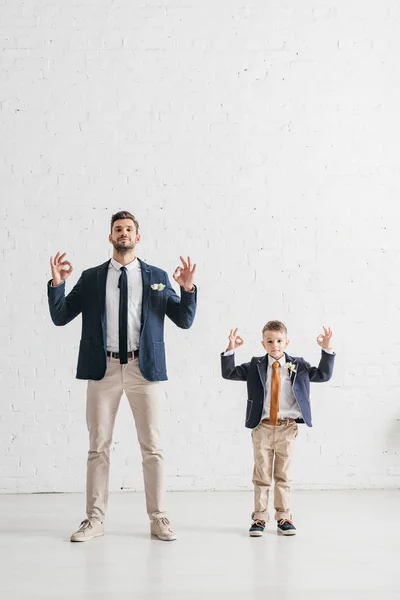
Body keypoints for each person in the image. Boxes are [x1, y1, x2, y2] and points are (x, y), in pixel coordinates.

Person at [48, 210, 197, 542]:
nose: (124, 234)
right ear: (110, 237)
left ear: (138, 237)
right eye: (118, 229)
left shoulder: (157, 276)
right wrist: (58, 284)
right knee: (98, 446)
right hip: (103, 370)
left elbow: (183, 321)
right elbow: (61, 317)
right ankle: (94, 520)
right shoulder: (90, 278)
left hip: (143, 370)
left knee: (153, 447)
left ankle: (159, 518)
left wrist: (187, 290)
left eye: (129, 229)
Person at [221, 320, 335, 537]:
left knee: (283, 475)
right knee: (262, 475)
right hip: (262, 428)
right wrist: (230, 351)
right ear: (263, 344)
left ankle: (284, 516)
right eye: (270, 341)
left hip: (287, 428)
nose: (275, 345)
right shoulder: (255, 365)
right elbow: (230, 374)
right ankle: (259, 518)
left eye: (279, 340)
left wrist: (327, 349)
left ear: (287, 342)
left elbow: (323, 375)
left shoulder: (298, 365)